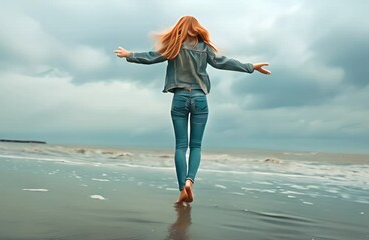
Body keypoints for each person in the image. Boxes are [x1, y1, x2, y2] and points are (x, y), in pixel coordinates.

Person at [113, 16, 270, 204]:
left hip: (179, 97)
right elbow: (224, 62)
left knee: (181, 146)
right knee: (196, 146)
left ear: (180, 27)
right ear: (197, 29)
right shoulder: (205, 48)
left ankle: (181, 188)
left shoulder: (174, 46)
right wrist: (251, 67)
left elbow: (151, 57)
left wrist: (129, 54)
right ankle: (189, 181)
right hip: (200, 98)